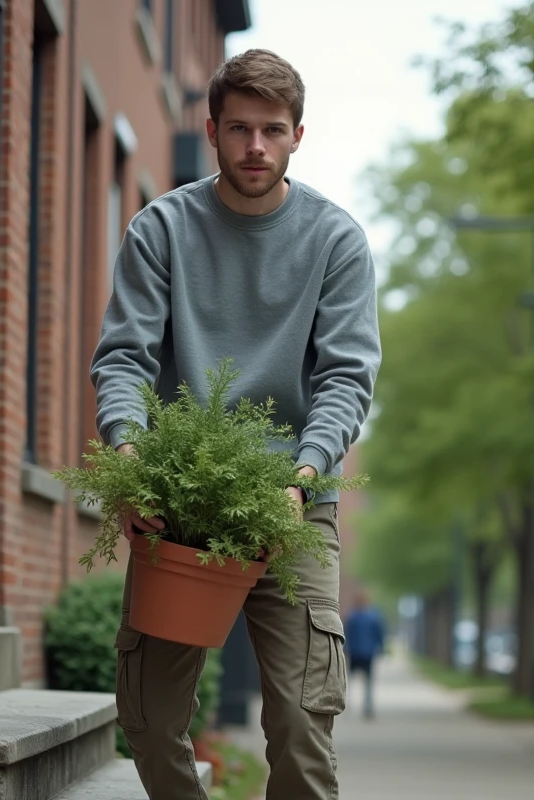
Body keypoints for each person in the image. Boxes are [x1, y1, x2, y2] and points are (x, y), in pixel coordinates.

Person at [89, 48, 381, 800]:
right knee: (151, 720)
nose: (257, 147)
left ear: (297, 136)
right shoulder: (161, 231)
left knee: (300, 722)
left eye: (273, 131)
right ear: (213, 130)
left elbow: (346, 379)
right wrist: (127, 459)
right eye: (241, 129)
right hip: (180, 503)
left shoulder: (335, 241)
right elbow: (123, 359)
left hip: (295, 502)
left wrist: (302, 475)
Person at [344, 591, 386, 719]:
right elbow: (379, 633)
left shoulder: (353, 616)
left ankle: (363, 706)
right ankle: (363, 706)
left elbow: (347, 633)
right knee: (364, 681)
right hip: (364, 652)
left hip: (361, 652)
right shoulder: (372, 616)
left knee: (360, 681)